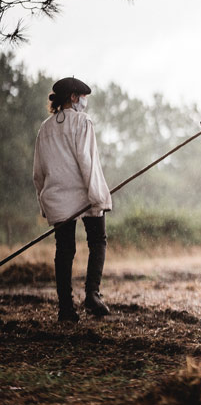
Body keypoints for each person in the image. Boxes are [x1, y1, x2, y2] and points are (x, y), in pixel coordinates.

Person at [33, 77, 112, 322]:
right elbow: (88, 163)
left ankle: (65, 309)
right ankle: (92, 294)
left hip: (56, 197)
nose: (85, 101)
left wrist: (44, 204)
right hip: (84, 194)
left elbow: (38, 173)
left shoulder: (44, 129)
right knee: (97, 240)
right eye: (82, 97)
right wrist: (98, 196)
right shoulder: (83, 122)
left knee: (64, 250)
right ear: (74, 98)